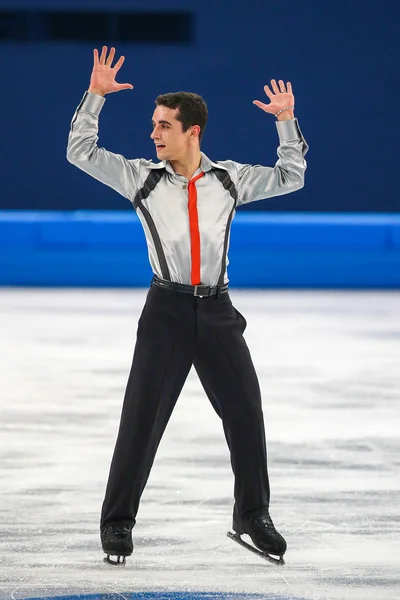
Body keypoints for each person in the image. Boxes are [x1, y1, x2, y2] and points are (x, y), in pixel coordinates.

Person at [67, 46, 308, 564]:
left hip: (218, 313)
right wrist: (94, 97)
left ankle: (252, 515)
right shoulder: (142, 179)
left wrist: (286, 122)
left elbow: (292, 176)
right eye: (154, 125)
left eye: (163, 126)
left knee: (246, 414)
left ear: (191, 132)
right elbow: (81, 152)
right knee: (141, 420)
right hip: (166, 313)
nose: (153, 134)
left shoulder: (230, 179)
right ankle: (117, 523)